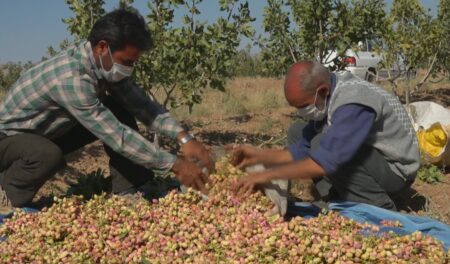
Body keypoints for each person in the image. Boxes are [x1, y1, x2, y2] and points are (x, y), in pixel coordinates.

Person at [0, 8, 212, 212]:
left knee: (118, 105)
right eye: (127, 61)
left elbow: (141, 105)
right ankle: (8, 194)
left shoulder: (103, 66)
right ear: (102, 47)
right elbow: (117, 136)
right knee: (46, 154)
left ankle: (132, 187)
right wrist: (174, 164)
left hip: (45, 132)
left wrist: (184, 137)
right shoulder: (70, 79)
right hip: (9, 141)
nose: (129, 68)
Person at [231, 60, 420, 211]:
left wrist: (266, 175)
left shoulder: (352, 102)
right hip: (373, 158)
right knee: (297, 131)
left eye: (303, 106)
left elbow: (325, 162)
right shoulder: (330, 89)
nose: (301, 111)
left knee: (325, 145)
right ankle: (336, 196)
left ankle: (377, 205)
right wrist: (256, 155)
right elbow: (301, 148)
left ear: (322, 91)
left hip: (395, 171)